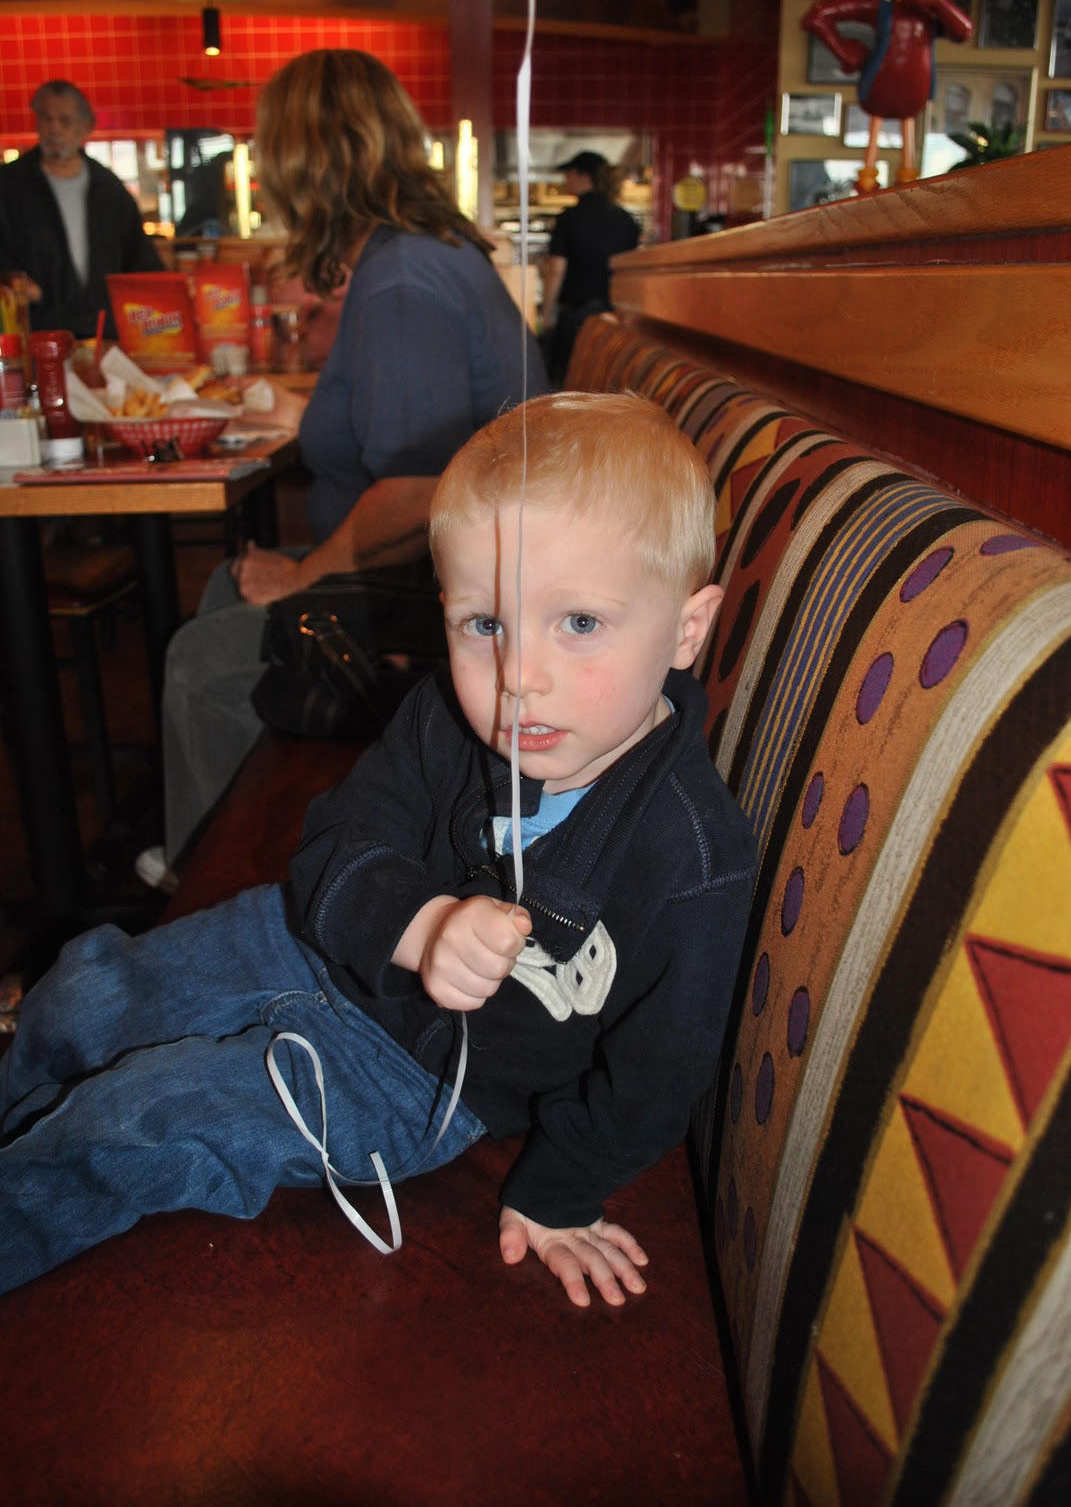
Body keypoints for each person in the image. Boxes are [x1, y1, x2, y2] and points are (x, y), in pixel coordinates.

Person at [0, 390, 757, 1305]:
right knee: (82, 992)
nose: (519, 678)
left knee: (140, 1116)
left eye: (580, 624)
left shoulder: (693, 855)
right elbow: (336, 844)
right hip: (302, 944)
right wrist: (422, 925)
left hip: (410, 1081)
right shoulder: (443, 716)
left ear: (685, 629)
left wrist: (560, 1192)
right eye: (485, 625)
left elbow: (659, 1070)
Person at [136, 49, 548, 892]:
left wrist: (305, 575)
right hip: (455, 574)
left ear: (302, 160)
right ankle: (219, 851)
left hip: (466, 597)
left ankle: (227, 890)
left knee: (202, 659)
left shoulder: (401, 282)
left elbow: (420, 493)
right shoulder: (414, 257)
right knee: (223, 591)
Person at [0, 80, 163, 340]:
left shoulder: (109, 189)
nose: (54, 129)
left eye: (64, 121)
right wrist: (13, 282)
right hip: (39, 335)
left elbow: (142, 262)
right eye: (46, 119)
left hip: (104, 333)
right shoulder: (9, 185)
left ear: (85, 127)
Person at [541, 150, 641, 387]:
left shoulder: (569, 218)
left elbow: (556, 269)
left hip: (576, 319)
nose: (566, 180)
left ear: (583, 175)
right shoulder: (626, 220)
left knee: (567, 384)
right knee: (605, 382)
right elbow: (631, 273)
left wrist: (547, 314)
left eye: (569, 174)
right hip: (615, 319)